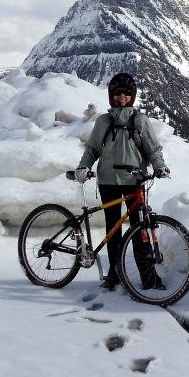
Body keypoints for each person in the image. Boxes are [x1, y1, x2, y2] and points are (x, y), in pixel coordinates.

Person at [75, 72, 170, 290]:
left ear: (133, 95)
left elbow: (153, 148)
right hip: (108, 181)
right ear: (111, 96)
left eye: (127, 93)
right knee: (113, 230)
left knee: (140, 229)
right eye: (117, 93)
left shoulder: (140, 121)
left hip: (133, 180)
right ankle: (114, 273)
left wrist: (159, 166)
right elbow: (92, 149)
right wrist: (83, 166)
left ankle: (148, 276)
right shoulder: (103, 121)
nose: (122, 97)